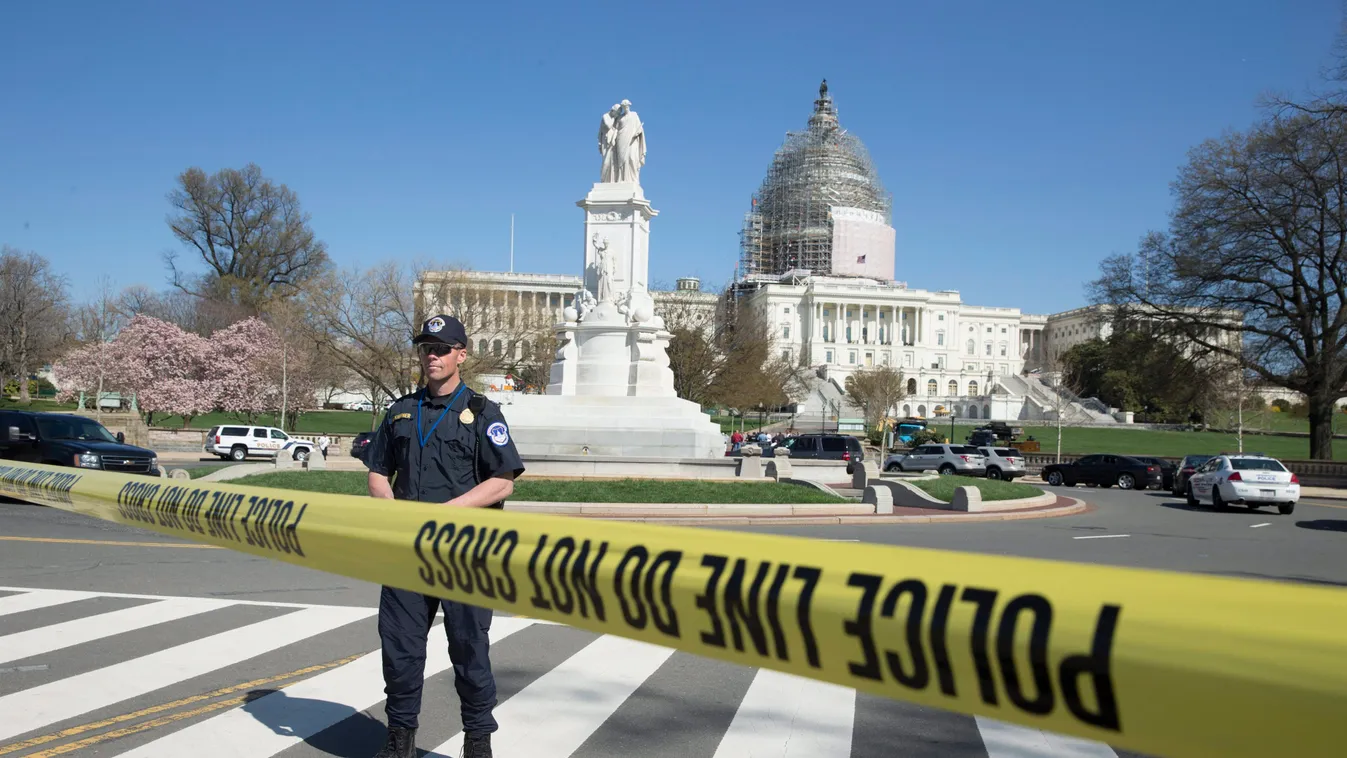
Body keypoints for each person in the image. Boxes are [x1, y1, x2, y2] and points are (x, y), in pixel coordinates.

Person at [363, 314, 525, 758]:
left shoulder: (483, 413)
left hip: (464, 553)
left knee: (470, 653)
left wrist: (443, 515)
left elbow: (504, 480)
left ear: (461, 354)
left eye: (440, 348)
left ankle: (477, 740)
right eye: (425, 349)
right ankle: (400, 739)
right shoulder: (399, 411)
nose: (431, 356)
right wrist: (393, 512)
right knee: (399, 652)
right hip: (406, 552)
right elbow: (378, 473)